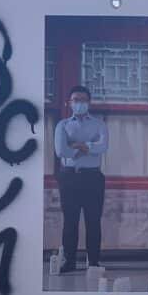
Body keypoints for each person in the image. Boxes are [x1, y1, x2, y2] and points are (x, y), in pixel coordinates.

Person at [53, 85, 109, 274]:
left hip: (93, 177)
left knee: (94, 221)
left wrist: (77, 145)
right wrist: (88, 147)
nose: (80, 103)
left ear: (89, 103)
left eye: (84, 100)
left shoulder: (99, 124)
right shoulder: (62, 125)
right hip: (69, 176)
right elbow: (61, 151)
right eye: (76, 100)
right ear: (69, 103)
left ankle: (93, 262)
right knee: (70, 221)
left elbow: (103, 147)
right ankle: (69, 262)